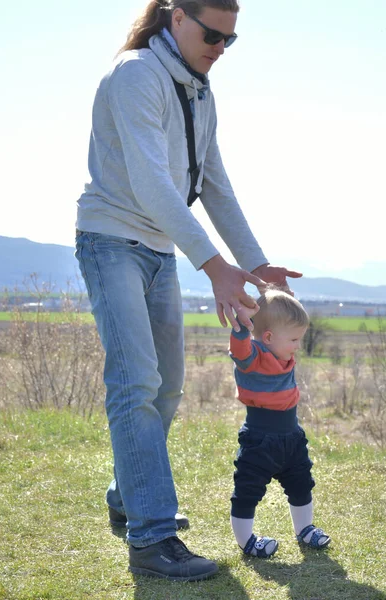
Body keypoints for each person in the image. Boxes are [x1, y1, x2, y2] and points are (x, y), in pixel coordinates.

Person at [75, 0, 302, 582]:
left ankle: (128, 494)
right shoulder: (136, 76)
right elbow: (152, 183)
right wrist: (213, 265)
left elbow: (215, 185)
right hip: (111, 240)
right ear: (176, 17)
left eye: (231, 40)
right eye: (212, 34)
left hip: (158, 248)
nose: (220, 49)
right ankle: (152, 537)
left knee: (167, 387)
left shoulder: (200, 93)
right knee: (136, 384)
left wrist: (254, 264)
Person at [229, 288, 331, 558]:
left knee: (301, 484)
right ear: (269, 338)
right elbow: (240, 349)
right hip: (260, 439)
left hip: (292, 436)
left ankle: (305, 529)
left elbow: (277, 311)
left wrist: (276, 293)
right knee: (247, 490)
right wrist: (242, 324)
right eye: (295, 339)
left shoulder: (284, 355)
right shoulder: (253, 359)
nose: (298, 345)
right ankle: (247, 541)